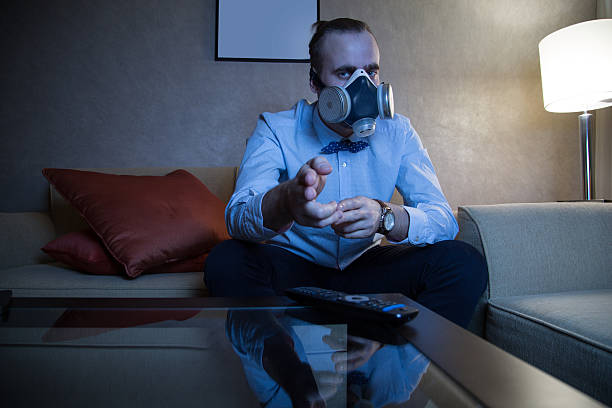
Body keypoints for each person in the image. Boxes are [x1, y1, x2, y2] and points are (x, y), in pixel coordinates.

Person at [204, 18, 487, 328]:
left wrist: (385, 216)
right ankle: (288, 363)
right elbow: (238, 217)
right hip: (297, 267)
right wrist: (286, 201)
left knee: (465, 263)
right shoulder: (276, 128)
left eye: (372, 71)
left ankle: (399, 358)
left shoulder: (398, 131)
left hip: (366, 267)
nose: (363, 85)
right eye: (345, 73)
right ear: (315, 82)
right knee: (226, 261)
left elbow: (443, 220)